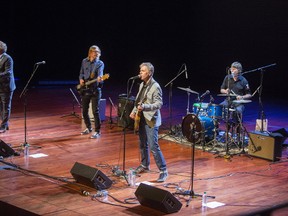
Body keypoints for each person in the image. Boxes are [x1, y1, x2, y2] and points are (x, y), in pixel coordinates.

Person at [129, 62, 168, 182]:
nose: (140, 72)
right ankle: (144, 165)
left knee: (153, 146)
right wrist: (134, 110)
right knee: (142, 143)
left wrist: (145, 107)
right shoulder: (142, 84)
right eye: (140, 70)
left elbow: (159, 104)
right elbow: (138, 100)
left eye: (143, 71)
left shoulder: (155, 86)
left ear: (149, 73)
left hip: (151, 119)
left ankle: (163, 170)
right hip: (141, 118)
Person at [79, 45, 104, 139]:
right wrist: (81, 79)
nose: (97, 54)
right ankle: (89, 128)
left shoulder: (100, 63)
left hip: (95, 90)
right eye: (95, 52)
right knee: (84, 111)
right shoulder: (84, 61)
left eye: (98, 52)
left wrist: (100, 78)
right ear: (90, 53)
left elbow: (101, 73)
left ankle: (97, 131)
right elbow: (81, 73)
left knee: (95, 111)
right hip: (85, 89)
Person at [220, 61, 252, 129]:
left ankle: (237, 129)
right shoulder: (227, 78)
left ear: (239, 70)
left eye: (234, 69)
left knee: (238, 110)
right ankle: (222, 128)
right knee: (219, 107)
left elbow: (249, 95)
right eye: (231, 68)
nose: (232, 70)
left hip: (238, 103)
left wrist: (242, 97)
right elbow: (221, 90)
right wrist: (225, 91)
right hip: (228, 101)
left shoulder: (244, 80)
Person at [0, 41, 16, 133]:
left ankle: (4, 126)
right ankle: (5, 124)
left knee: (6, 107)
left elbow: (8, 72)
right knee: (1, 107)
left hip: (6, 87)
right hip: (0, 86)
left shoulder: (8, 58)